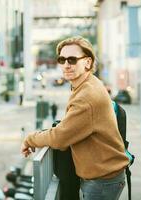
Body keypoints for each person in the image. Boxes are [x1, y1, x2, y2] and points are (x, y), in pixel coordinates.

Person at [21, 36, 129, 200]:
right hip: (104, 176)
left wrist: (30, 139)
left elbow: (60, 138)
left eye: (72, 59)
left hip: (101, 181)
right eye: (62, 59)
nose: (66, 65)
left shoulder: (86, 97)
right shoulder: (88, 83)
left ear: (87, 62)